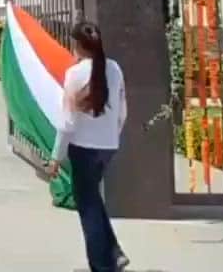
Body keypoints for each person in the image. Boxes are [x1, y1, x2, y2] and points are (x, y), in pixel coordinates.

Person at [44, 22, 129, 272]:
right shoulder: (114, 68)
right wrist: (112, 136)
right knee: (93, 201)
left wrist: (55, 157)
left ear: (78, 45)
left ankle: (102, 265)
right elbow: (122, 111)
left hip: (83, 148)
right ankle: (113, 252)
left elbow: (67, 122)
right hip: (107, 146)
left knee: (88, 208)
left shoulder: (75, 74)